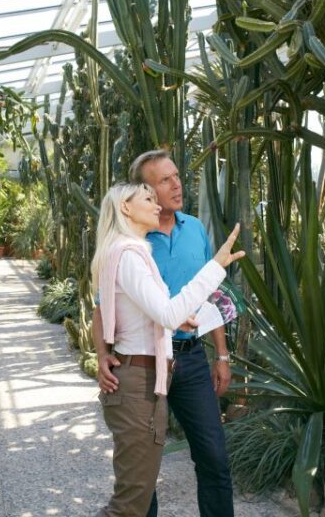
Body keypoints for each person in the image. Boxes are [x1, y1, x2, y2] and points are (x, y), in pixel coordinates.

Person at [93, 150, 237, 517]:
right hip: (145, 367)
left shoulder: (192, 230)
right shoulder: (132, 249)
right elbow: (106, 306)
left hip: (187, 359)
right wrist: (101, 355)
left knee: (213, 458)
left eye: (176, 176)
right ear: (142, 194)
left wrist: (220, 355)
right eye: (163, 181)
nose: (176, 184)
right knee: (144, 475)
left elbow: (208, 300)